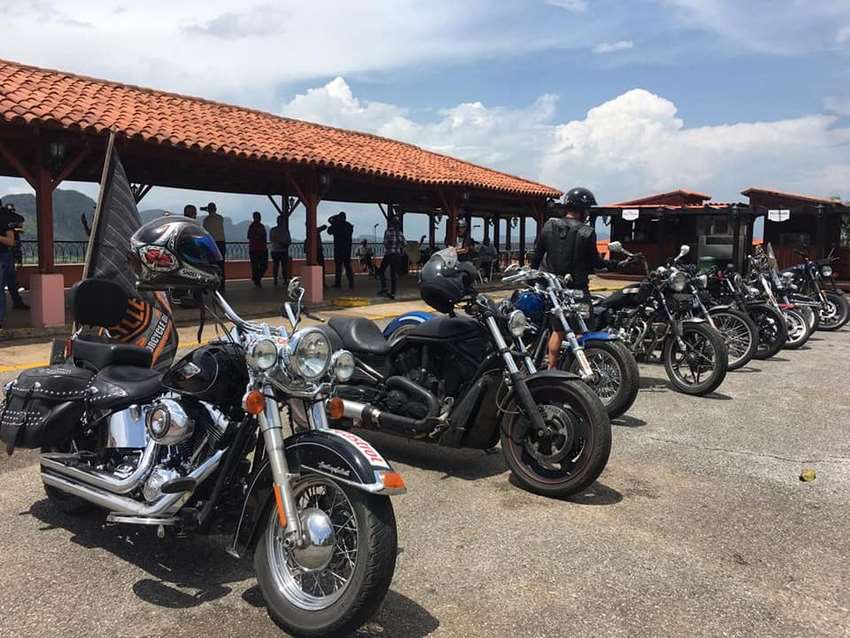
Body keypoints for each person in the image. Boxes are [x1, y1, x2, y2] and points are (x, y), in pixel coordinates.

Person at [531, 186, 625, 369]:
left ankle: (552, 368)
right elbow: (596, 262)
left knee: (557, 330)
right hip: (579, 289)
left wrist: (534, 278)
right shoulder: (587, 232)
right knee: (582, 329)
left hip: (555, 289)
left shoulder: (549, 226)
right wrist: (614, 265)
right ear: (583, 210)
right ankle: (579, 366)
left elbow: (536, 258)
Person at [201, 202, 226, 292]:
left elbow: (204, 232)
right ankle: (222, 285)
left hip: (211, 243)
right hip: (221, 243)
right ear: (215, 209)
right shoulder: (220, 218)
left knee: (211, 265)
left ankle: (211, 284)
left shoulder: (206, 220)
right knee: (221, 265)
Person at [377, 218, 405, 299]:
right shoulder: (400, 233)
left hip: (389, 254)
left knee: (381, 270)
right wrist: (398, 247)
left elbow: (385, 243)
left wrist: (390, 246)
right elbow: (405, 243)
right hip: (398, 255)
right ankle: (393, 293)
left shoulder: (388, 231)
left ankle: (384, 288)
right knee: (393, 273)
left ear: (391, 224)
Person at [327, 211, 355, 289]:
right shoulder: (349, 226)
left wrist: (334, 218)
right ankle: (351, 283)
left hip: (338, 248)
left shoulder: (336, 225)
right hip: (347, 249)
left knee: (338, 267)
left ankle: (338, 283)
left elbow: (329, 231)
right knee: (348, 266)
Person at [247, 211, 268, 288]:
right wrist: (257, 237)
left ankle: (257, 278)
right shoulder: (252, 226)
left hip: (262, 248)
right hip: (254, 249)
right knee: (255, 266)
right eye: (258, 217)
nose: (259, 218)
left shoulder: (261, 226)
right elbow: (249, 236)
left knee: (264, 265)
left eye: (259, 216)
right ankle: (257, 280)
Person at [269, 215, 291, 286]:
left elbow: (272, 239)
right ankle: (280, 280)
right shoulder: (285, 230)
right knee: (281, 265)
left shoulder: (273, 230)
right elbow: (273, 239)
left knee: (278, 265)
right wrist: (284, 244)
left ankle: (278, 280)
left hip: (277, 250)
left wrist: (284, 244)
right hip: (280, 250)